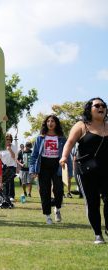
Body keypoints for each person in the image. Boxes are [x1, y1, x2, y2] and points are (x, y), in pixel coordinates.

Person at [60, 97, 108, 244]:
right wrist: (63, 157)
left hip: (106, 170)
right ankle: (98, 235)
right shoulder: (82, 125)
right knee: (92, 202)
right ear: (90, 109)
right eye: (97, 105)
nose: (101, 108)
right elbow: (69, 142)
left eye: (103, 105)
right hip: (86, 170)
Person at [30, 115, 72, 225]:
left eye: (52, 121)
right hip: (43, 165)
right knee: (44, 191)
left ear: (56, 123)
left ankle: (57, 209)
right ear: (46, 124)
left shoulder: (62, 138)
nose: (50, 123)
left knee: (58, 190)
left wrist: (69, 172)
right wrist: (32, 170)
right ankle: (48, 216)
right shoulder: (40, 138)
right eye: (48, 121)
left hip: (57, 166)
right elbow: (34, 155)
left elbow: (68, 155)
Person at [0, 133, 18, 202]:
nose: (8, 141)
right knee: (5, 182)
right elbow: (0, 157)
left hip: (12, 166)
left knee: (11, 181)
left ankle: (11, 196)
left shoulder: (13, 147)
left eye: (9, 139)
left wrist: (10, 149)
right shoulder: (1, 147)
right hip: (4, 166)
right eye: (7, 139)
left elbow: (15, 157)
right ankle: (5, 195)